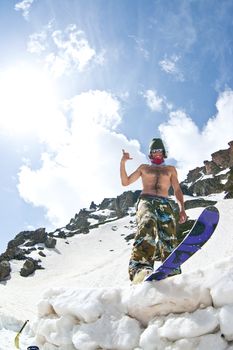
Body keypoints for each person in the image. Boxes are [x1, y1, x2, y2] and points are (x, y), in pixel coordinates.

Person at [120, 138, 187, 283]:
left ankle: (171, 270)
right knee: (147, 222)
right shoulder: (144, 168)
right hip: (146, 200)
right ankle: (140, 268)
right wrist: (123, 162)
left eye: (159, 151)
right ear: (150, 153)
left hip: (165, 203)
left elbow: (177, 189)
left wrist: (182, 208)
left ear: (164, 153)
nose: (157, 153)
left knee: (168, 235)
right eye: (154, 151)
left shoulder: (170, 170)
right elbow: (125, 182)